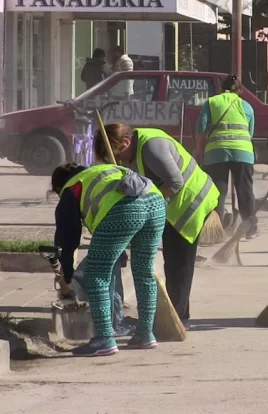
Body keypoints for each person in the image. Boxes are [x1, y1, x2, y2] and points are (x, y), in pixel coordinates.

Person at [93, 124, 220, 323]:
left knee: (180, 263)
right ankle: (176, 314)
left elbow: (175, 182)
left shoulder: (151, 146)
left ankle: (177, 318)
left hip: (192, 201)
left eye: (119, 155)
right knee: (172, 262)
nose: (119, 161)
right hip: (174, 206)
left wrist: (149, 205)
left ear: (126, 142)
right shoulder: (134, 151)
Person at [51, 162, 165, 356]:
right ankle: (145, 334)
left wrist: (67, 275)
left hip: (124, 210)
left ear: (59, 186)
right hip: (156, 202)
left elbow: (67, 239)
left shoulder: (72, 187)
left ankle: (103, 338)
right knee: (144, 271)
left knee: (95, 273)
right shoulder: (103, 171)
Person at [195, 75, 258, 238]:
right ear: (239, 90)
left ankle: (215, 230)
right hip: (243, 153)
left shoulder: (212, 102)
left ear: (221, 89)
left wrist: (198, 151)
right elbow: (249, 133)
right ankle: (250, 229)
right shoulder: (247, 106)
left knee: (217, 193)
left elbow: (201, 130)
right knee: (245, 191)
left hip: (216, 154)